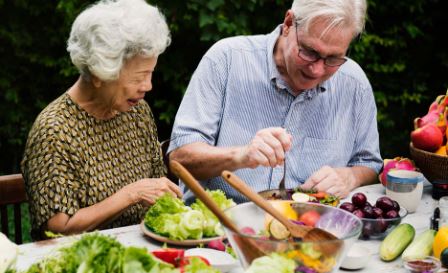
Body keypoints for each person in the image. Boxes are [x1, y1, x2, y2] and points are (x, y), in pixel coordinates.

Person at [169, 0, 382, 204]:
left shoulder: (354, 83)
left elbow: (368, 164)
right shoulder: (226, 60)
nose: (317, 70)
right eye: (309, 51)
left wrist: (350, 177)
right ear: (289, 23)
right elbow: (180, 157)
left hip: (309, 228)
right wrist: (241, 155)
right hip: (220, 228)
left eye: (333, 58)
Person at [21, 0, 181, 240]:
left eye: (151, 73)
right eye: (139, 77)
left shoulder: (137, 112)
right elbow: (56, 228)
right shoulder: (55, 131)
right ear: (99, 73)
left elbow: (156, 188)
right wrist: (131, 194)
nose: (148, 86)